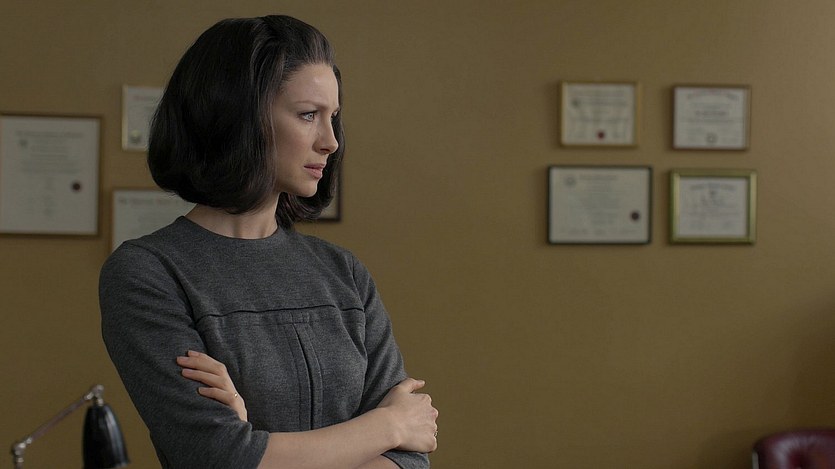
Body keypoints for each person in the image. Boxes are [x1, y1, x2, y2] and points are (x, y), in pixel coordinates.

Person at [99, 15, 438, 469]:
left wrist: (262, 449)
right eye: (308, 115)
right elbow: (222, 457)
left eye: (333, 118)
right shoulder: (148, 273)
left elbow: (410, 461)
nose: (331, 142)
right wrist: (388, 425)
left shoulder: (344, 272)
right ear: (239, 119)